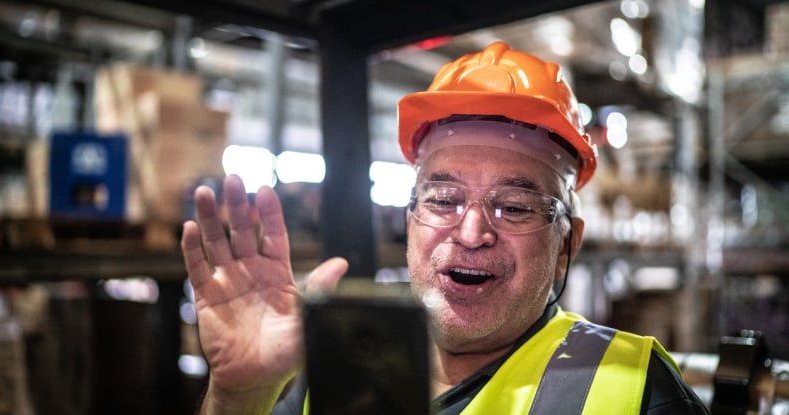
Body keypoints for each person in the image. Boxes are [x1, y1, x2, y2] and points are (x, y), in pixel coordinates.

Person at [180, 41, 710, 414]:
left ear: (567, 242)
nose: (471, 231)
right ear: (410, 219)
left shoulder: (635, 393)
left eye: (516, 207)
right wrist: (238, 396)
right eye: (443, 199)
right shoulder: (329, 366)